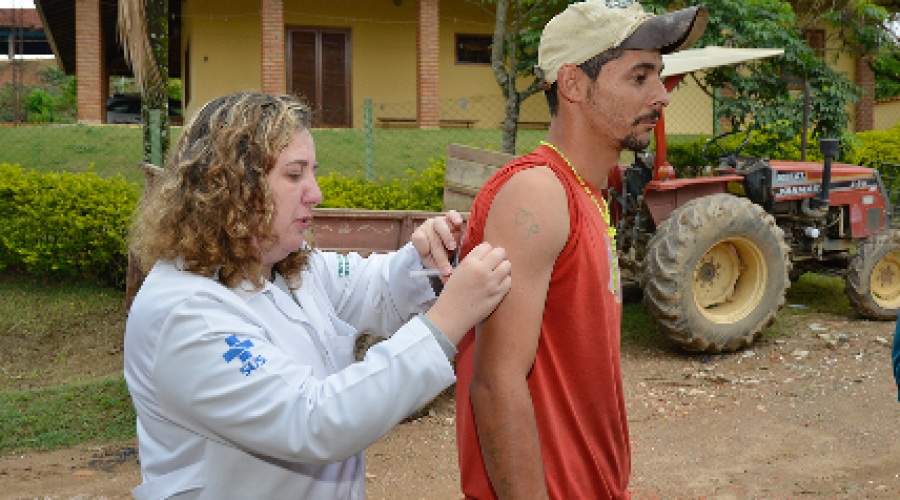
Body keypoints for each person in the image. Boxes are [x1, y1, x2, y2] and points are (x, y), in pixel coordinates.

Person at [124, 91, 512, 500]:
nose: (316, 192)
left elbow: (375, 287)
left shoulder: (285, 267)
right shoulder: (184, 314)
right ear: (232, 185)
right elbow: (313, 421)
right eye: (294, 175)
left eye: (312, 172)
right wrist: (446, 322)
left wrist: (432, 264)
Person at [454, 1, 708, 498]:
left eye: (659, 76)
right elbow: (496, 384)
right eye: (640, 77)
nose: (662, 96)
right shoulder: (539, 193)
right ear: (572, 84)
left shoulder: (589, 193)